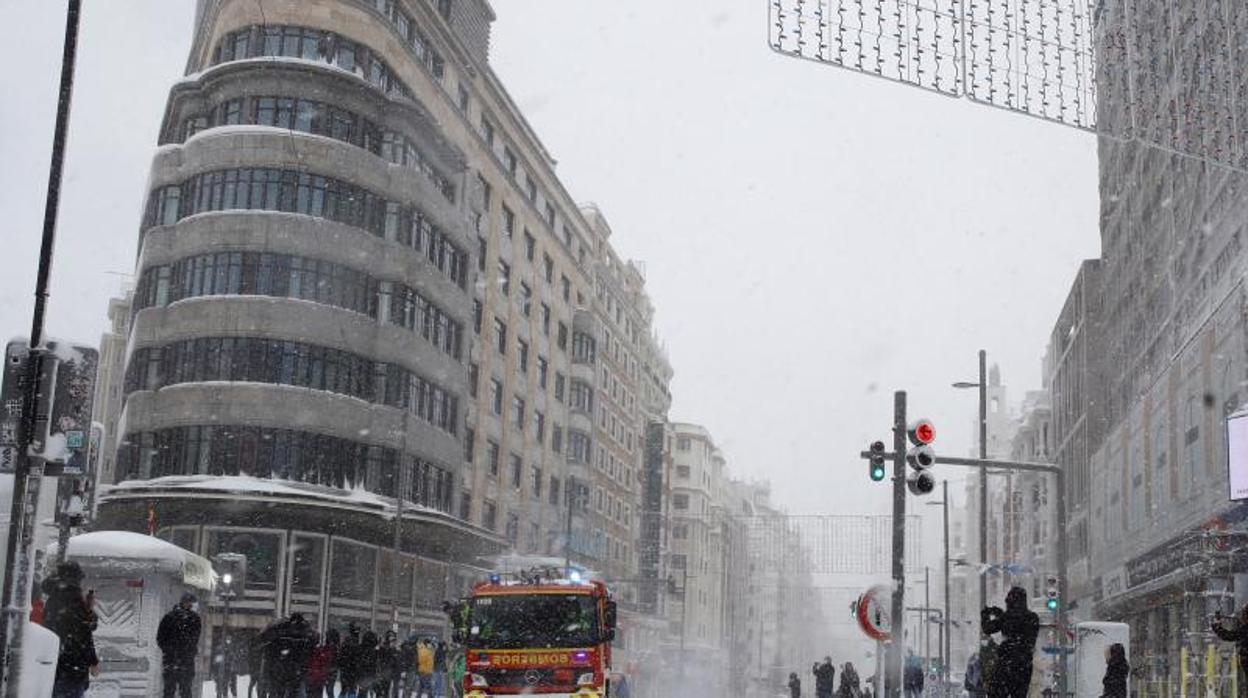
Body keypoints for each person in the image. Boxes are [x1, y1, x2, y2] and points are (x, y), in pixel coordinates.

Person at [41, 561, 99, 698]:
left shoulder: (52, 598)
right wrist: (93, 661)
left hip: (52, 662)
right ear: (76, 578)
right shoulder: (74, 599)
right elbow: (84, 632)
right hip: (73, 666)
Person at [981, 587, 1039, 698]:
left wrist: (986, 615)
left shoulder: (1006, 618)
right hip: (1024, 665)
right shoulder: (1033, 618)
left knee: (996, 693)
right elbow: (1027, 637)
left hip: (1006, 663)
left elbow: (987, 628)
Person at [258, 611, 317, 698]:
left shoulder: (281, 632)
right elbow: (310, 648)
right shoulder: (305, 634)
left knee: (277, 691)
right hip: (295, 671)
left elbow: (270, 649)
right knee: (293, 691)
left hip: (280, 670)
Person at [157, 592, 203, 698]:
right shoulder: (193, 618)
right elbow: (194, 639)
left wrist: (169, 650)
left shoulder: (169, 617)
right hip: (183, 661)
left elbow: (160, 638)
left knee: (170, 690)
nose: (190, 605)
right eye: (189, 603)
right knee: (184, 690)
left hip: (173, 660)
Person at [307, 628, 340, 698]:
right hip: (323, 674)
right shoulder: (334, 648)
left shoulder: (325, 649)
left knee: (318, 691)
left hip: (319, 675)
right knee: (327, 691)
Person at [338, 624, 364, 698]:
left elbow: (340, 658)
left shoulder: (345, 644)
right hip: (353, 671)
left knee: (344, 689)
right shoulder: (358, 646)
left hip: (345, 671)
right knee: (352, 690)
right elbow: (359, 659)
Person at [375, 630, 399, 698]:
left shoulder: (393, 648)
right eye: (391, 636)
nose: (392, 639)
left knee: (386, 691)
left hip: (388, 673)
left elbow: (395, 661)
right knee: (380, 692)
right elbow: (379, 657)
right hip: (382, 672)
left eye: (393, 637)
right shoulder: (383, 647)